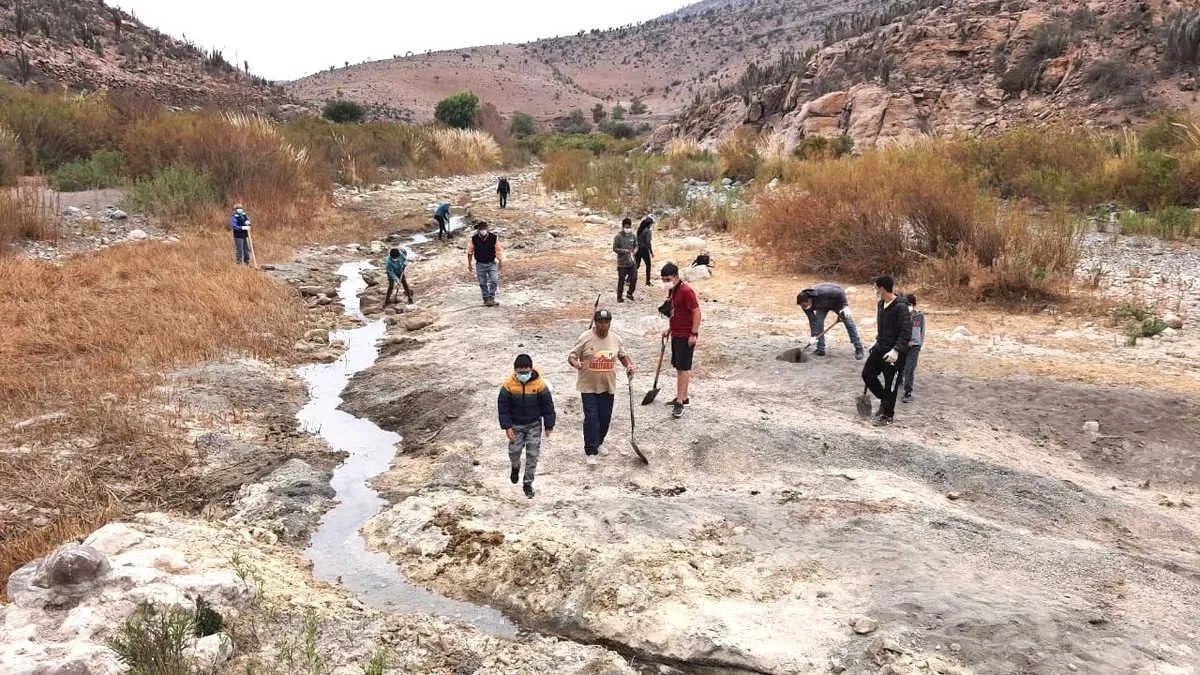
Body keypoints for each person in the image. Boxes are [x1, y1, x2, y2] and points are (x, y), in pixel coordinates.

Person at [568, 309, 635, 465]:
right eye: (600, 322)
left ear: (610, 323)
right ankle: (590, 450)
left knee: (605, 418)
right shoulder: (585, 338)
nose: (603, 325)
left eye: (606, 322)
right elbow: (572, 355)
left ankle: (599, 442)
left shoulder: (615, 339)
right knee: (592, 418)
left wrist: (629, 366)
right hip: (588, 386)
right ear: (595, 322)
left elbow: (623, 356)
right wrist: (575, 363)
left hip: (607, 385)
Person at [498, 353, 556, 498]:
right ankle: (515, 466)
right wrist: (507, 427)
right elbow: (503, 407)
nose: (523, 375)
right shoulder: (508, 385)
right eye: (520, 373)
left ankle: (528, 483)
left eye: (526, 372)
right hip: (515, 425)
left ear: (531, 369)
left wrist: (549, 424)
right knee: (514, 451)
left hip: (534, 425)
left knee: (533, 454)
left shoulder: (539, 385)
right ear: (515, 371)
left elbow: (548, 405)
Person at [861, 275, 912, 427]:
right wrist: (876, 341)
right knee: (867, 374)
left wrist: (896, 350)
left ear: (882, 288)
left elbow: (906, 332)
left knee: (891, 385)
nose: (875, 291)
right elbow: (883, 328)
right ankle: (885, 402)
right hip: (880, 347)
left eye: (876, 288)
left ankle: (887, 415)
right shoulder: (881, 304)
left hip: (895, 354)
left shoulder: (901, 307)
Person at [660, 262, 701, 419]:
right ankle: (682, 396)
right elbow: (675, 312)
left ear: (676, 277)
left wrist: (694, 333)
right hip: (676, 334)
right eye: (663, 279)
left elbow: (696, 312)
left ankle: (680, 402)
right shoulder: (673, 291)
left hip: (686, 335)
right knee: (679, 366)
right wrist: (670, 328)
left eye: (668, 279)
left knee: (684, 368)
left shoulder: (686, 291)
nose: (665, 282)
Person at [796, 283, 865, 360]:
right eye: (802, 306)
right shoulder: (805, 307)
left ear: (809, 300)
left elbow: (840, 292)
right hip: (822, 306)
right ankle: (820, 349)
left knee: (849, 323)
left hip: (837, 303)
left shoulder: (822, 292)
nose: (804, 307)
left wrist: (845, 306)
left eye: (804, 305)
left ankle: (859, 348)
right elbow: (812, 320)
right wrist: (814, 336)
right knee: (818, 323)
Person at [467, 221, 503, 306]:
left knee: (494, 280)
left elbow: (498, 250)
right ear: (478, 230)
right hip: (480, 264)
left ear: (487, 229)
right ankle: (486, 299)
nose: (483, 231)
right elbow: (469, 252)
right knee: (482, 283)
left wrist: (500, 261)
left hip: (491, 263)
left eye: (485, 229)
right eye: (481, 229)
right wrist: (469, 264)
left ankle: (491, 298)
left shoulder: (494, 238)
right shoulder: (474, 239)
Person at [900, 293, 925, 403]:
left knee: (909, 369)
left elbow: (922, 331)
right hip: (902, 345)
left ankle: (908, 392)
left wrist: (919, 344)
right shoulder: (901, 316)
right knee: (901, 368)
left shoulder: (920, 316)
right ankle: (899, 382)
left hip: (914, 346)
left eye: (909, 304)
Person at [614, 218, 638, 302]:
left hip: (632, 262)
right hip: (622, 263)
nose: (627, 228)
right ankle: (619, 297)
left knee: (634, 278)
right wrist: (624, 251)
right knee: (621, 280)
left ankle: (630, 293)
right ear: (623, 226)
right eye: (626, 227)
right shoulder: (618, 237)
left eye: (629, 227)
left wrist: (635, 251)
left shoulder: (633, 236)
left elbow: (636, 246)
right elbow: (615, 248)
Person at [635, 215, 654, 286]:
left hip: (638, 249)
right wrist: (651, 251)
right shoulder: (648, 231)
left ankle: (628, 279)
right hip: (644, 250)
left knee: (636, 265)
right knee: (648, 265)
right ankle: (647, 281)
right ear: (649, 224)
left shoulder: (640, 229)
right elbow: (648, 242)